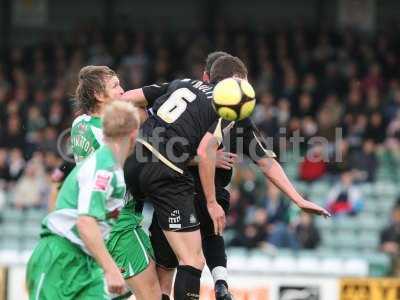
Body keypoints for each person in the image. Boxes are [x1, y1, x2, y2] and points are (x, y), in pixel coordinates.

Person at [123, 55, 330, 300]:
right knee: (193, 259)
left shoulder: (183, 83)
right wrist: (210, 187)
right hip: (170, 179)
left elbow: (126, 99)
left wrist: (147, 132)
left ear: (208, 77)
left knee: (161, 271)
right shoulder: (228, 110)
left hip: (136, 162)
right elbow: (221, 154)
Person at [26, 101, 140, 300]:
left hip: (85, 262)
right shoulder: (103, 168)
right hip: (59, 259)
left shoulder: (112, 169)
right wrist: (111, 269)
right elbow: (86, 222)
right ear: (133, 134)